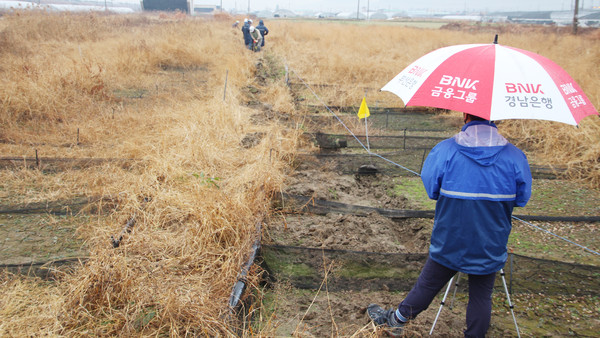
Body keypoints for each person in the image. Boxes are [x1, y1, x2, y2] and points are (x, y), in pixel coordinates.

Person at [367, 113, 532, 337]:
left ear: (465, 115)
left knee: (428, 285)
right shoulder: (515, 157)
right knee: (481, 296)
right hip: (490, 241)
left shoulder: (445, 150)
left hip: (450, 238)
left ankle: (397, 320)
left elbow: (431, 189)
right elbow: (522, 198)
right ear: (495, 118)